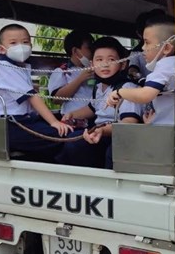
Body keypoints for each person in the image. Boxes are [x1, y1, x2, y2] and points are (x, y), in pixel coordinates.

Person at [55, 37, 143, 168]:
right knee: (72, 142)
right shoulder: (99, 86)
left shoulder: (128, 88)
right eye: (99, 60)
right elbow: (92, 108)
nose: (105, 64)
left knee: (96, 149)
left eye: (111, 60)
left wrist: (102, 130)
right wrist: (72, 115)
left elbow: (129, 123)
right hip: (100, 133)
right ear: (92, 64)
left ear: (123, 64)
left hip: (119, 136)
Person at [0, 24, 72, 158]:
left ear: (31, 46)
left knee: (64, 124)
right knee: (60, 134)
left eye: (25, 42)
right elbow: (32, 97)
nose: (21, 46)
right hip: (11, 124)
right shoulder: (6, 66)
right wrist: (54, 122)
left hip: (25, 120)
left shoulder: (20, 66)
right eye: (13, 43)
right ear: (1, 49)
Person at [106, 14, 175, 125]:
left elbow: (145, 95)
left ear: (166, 48)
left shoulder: (165, 65)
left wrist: (119, 92)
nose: (142, 48)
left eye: (147, 43)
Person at [48, 30, 95, 115]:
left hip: (94, 118)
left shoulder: (95, 69)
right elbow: (56, 99)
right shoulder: (62, 71)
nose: (93, 52)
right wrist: (80, 79)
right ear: (75, 51)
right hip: (73, 120)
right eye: (89, 48)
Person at [127, 9, 165, 83]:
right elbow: (132, 69)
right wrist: (140, 78)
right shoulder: (136, 53)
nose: (144, 48)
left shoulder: (135, 53)